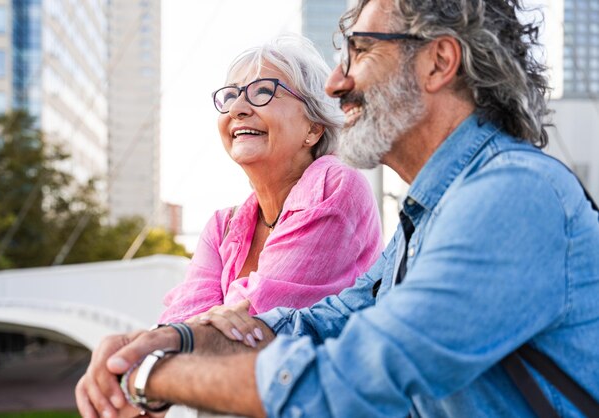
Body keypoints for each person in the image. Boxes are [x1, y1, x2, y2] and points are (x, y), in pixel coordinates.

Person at [76, 1, 599, 417]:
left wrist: (150, 374)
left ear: (439, 62)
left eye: (362, 51)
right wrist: (172, 338)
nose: (334, 83)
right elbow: (326, 320)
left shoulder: (512, 197)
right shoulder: (430, 216)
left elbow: (355, 380)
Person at [157, 35, 383, 331]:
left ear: (314, 128)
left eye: (263, 92)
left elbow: (253, 323)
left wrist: (185, 336)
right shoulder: (222, 227)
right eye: (230, 96)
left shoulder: (334, 184)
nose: (237, 108)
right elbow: (177, 327)